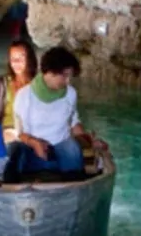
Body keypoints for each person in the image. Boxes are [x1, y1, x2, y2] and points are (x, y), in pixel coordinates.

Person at [7, 46, 99, 181]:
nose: (68, 81)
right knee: (13, 149)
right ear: (50, 72)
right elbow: (20, 133)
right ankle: (13, 189)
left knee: (72, 148)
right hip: (32, 148)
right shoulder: (24, 95)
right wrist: (35, 143)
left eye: (70, 76)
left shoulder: (70, 94)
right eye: (65, 76)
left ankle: (73, 185)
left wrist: (90, 141)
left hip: (61, 146)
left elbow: (73, 122)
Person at [0, 39, 37, 143]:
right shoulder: (1, 84)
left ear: (30, 59)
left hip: (32, 131)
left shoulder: (38, 85)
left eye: (20, 58)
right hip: (6, 131)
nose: (16, 62)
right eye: (13, 58)